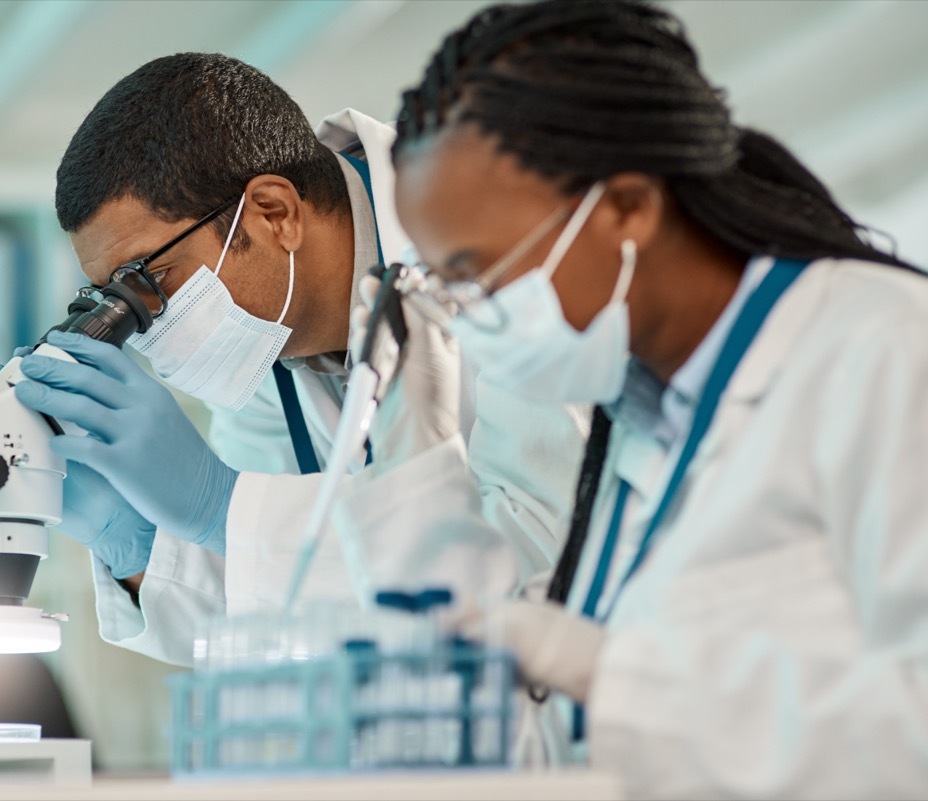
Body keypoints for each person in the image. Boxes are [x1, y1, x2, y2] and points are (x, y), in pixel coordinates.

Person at [375, 0, 928, 797]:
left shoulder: (881, 352)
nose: (466, 312)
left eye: (476, 271)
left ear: (628, 207)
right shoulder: (640, 416)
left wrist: (614, 673)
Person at [6, 53, 585, 667]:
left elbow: (543, 553)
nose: (146, 323)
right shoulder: (264, 346)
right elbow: (275, 617)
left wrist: (221, 507)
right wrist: (137, 547)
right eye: (111, 297)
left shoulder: (511, 244)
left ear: (274, 214)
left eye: (147, 278)